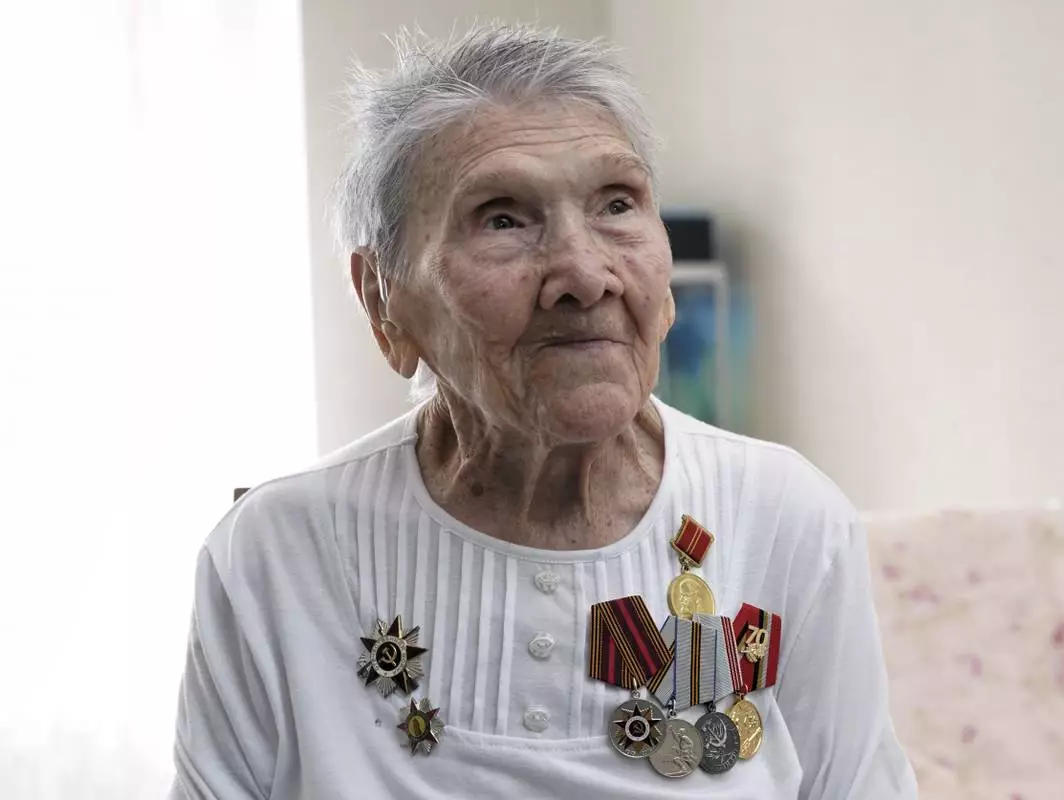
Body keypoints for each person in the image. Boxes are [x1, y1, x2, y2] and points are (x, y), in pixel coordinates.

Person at [169, 24, 918, 799]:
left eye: (617, 204)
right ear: (382, 299)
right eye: (503, 218)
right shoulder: (275, 552)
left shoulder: (784, 518)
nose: (585, 274)